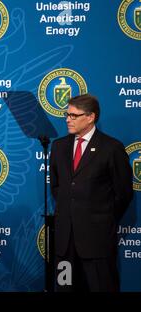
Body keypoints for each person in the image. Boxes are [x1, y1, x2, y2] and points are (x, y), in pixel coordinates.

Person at [50, 94, 133, 292]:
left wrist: (101, 220)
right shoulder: (59, 146)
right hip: (65, 244)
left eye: (74, 115)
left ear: (90, 117)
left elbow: (123, 194)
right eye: (67, 114)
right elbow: (57, 188)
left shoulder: (111, 148)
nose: (67, 119)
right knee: (64, 289)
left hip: (97, 242)